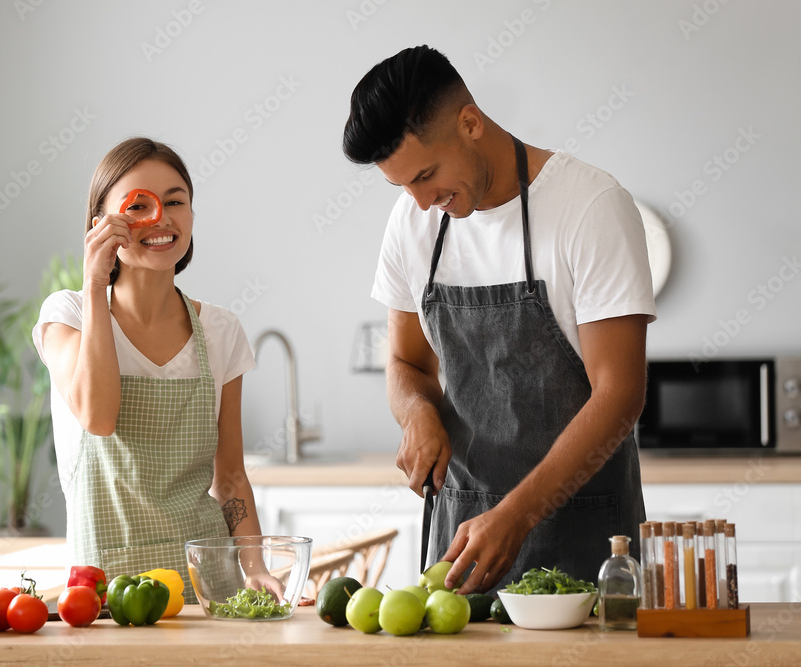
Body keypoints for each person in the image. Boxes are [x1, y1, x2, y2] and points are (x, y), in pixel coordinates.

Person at [343, 46, 656, 594]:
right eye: (402, 187)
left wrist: (516, 516)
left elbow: (620, 394)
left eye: (426, 175)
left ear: (470, 123)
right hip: (460, 541)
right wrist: (415, 411)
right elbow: (404, 362)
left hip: (586, 538)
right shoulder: (413, 224)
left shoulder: (590, 206)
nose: (420, 203)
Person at [33, 138, 278, 602]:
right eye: (139, 205)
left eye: (175, 201)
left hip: (207, 588)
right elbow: (98, 416)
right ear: (99, 225)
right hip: (103, 595)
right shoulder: (66, 315)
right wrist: (93, 282)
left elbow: (229, 478)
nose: (161, 218)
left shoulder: (220, 330)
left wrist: (255, 567)